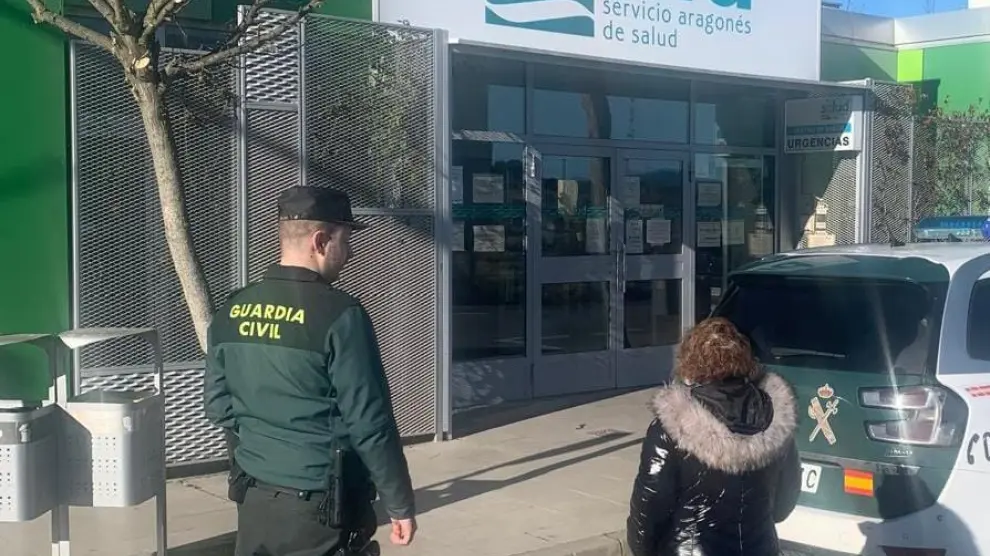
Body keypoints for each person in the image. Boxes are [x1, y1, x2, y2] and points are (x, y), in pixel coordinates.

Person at [203, 186, 417, 556]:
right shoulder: (340, 315)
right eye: (345, 241)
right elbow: (370, 423)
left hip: (254, 498)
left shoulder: (232, 310)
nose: (349, 254)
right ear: (320, 241)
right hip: (320, 507)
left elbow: (218, 406)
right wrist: (399, 504)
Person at [626, 317, 800, 556]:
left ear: (690, 361)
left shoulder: (672, 427)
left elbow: (648, 511)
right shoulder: (775, 419)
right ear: (744, 358)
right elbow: (783, 503)